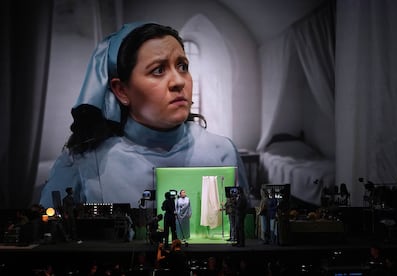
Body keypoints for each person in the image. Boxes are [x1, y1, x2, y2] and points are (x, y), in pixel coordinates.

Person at [38, 21, 248, 212]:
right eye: (158, 70)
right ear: (121, 90)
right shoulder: (83, 164)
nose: (179, 81)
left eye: (182, 66)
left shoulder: (223, 153)